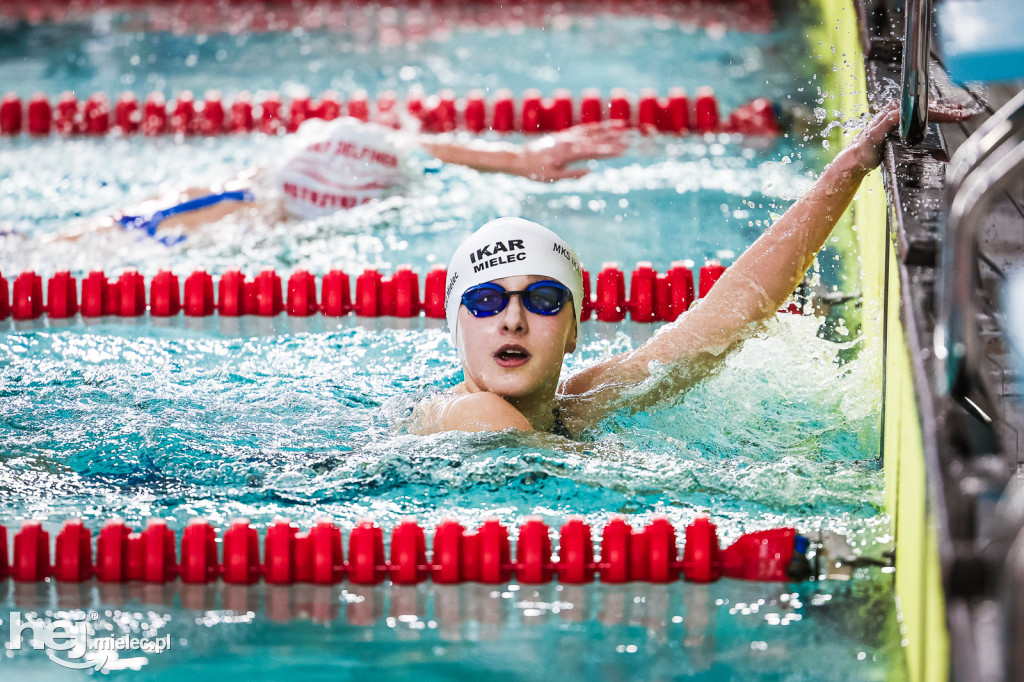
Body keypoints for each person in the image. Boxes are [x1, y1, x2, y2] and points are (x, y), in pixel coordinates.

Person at [413, 100, 976, 438]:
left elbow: (729, 316)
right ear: (454, 327)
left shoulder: (579, 405)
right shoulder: (475, 415)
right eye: (486, 302)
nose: (512, 319)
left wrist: (849, 166)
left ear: (574, 333)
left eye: (541, 300)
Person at [48, 116, 630, 244]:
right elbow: (409, 147)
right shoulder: (230, 232)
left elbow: (403, 145)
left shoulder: (248, 192)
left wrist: (513, 159)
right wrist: (512, 160)